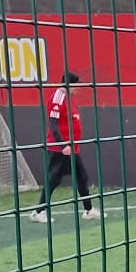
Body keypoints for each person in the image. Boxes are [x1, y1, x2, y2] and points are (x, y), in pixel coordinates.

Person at [31, 70, 99, 222]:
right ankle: (39, 211)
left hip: (71, 147)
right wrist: (63, 145)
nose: (78, 88)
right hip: (60, 148)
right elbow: (53, 125)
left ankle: (88, 210)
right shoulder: (58, 98)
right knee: (53, 179)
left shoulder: (68, 98)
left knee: (81, 176)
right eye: (76, 85)